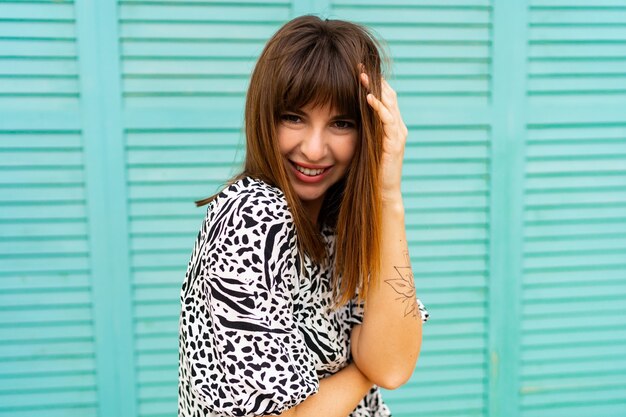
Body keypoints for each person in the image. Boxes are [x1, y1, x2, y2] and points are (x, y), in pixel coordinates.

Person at [178, 15, 429, 417]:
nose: (314, 149)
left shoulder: (344, 219)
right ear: (266, 115)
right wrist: (364, 369)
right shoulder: (253, 215)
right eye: (294, 117)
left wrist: (388, 196)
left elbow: (394, 366)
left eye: (341, 124)